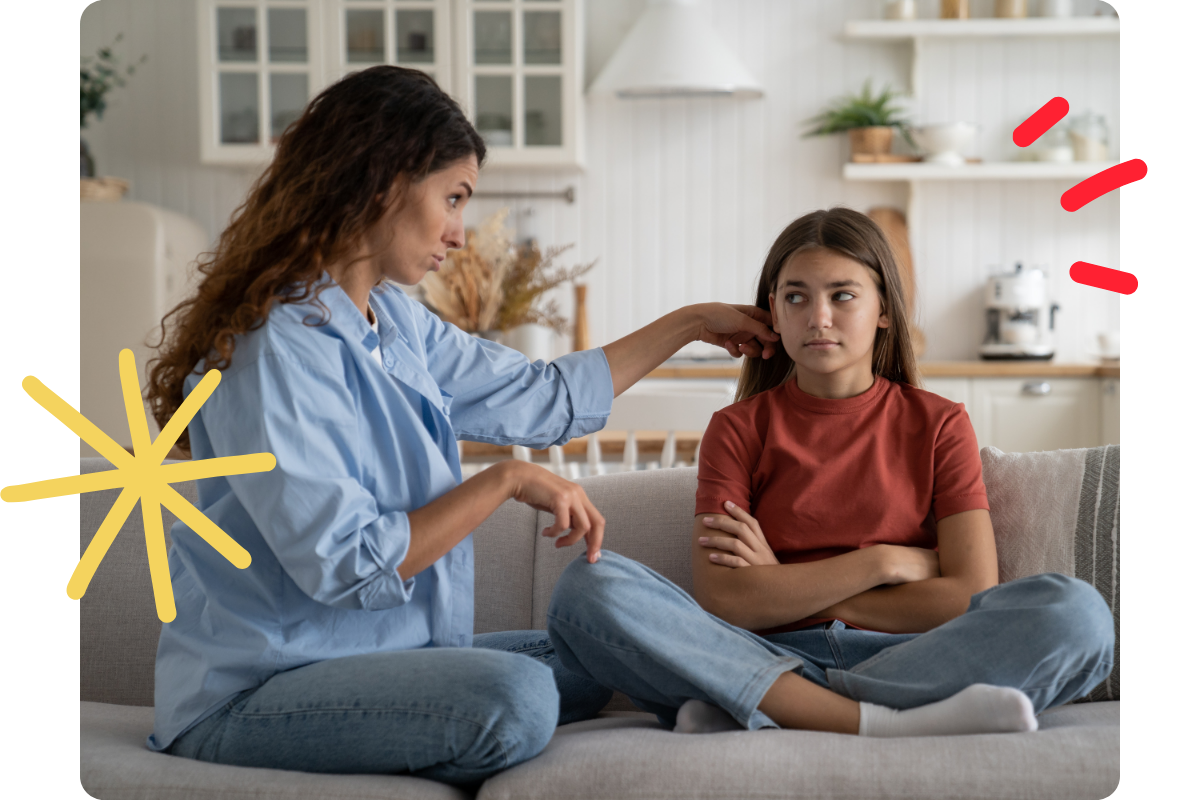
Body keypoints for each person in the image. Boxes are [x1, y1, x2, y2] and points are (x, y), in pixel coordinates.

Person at [142, 66, 779, 786]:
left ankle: (788, 692)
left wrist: (693, 322)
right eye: (452, 198)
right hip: (261, 689)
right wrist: (504, 479)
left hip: (385, 661)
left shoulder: (396, 321)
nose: (458, 232)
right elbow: (348, 563)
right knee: (517, 696)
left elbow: (540, 399)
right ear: (382, 182)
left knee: (592, 651)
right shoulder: (274, 349)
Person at [545, 207, 1115, 738]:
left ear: (885, 309)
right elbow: (726, 601)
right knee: (590, 588)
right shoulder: (737, 428)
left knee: (1078, 613)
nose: (818, 318)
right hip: (763, 652)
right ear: (773, 311)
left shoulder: (941, 423)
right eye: (796, 298)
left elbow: (966, 594)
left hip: (908, 657)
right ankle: (884, 720)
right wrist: (882, 563)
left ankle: (772, 706)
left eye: (843, 295)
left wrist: (790, 589)